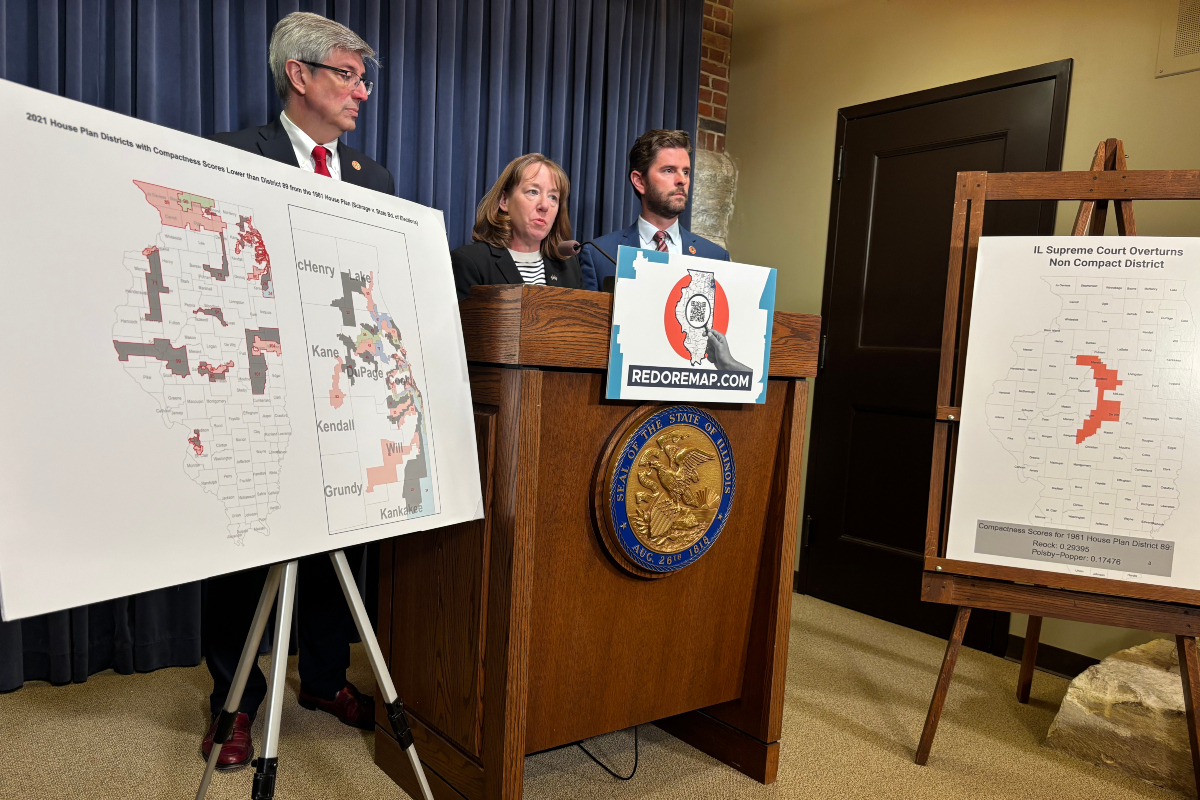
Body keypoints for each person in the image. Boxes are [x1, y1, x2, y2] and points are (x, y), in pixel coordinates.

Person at [201, 12, 394, 771]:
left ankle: (322, 680)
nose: (363, 93)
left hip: (341, 394)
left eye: (364, 79)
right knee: (244, 552)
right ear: (300, 75)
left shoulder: (372, 177)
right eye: (348, 76)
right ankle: (234, 703)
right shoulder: (231, 156)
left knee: (332, 545)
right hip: (256, 390)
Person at [578, 129, 729, 292]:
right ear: (639, 181)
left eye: (686, 171)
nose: (682, 180)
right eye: (669, 170)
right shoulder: (599, 255)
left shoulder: (715, 257)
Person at [451, 153, 584, 301]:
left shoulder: (569, 266)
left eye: (553, 197)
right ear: (504, 200)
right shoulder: (471, 263)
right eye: (533, 192)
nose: (545, 206)